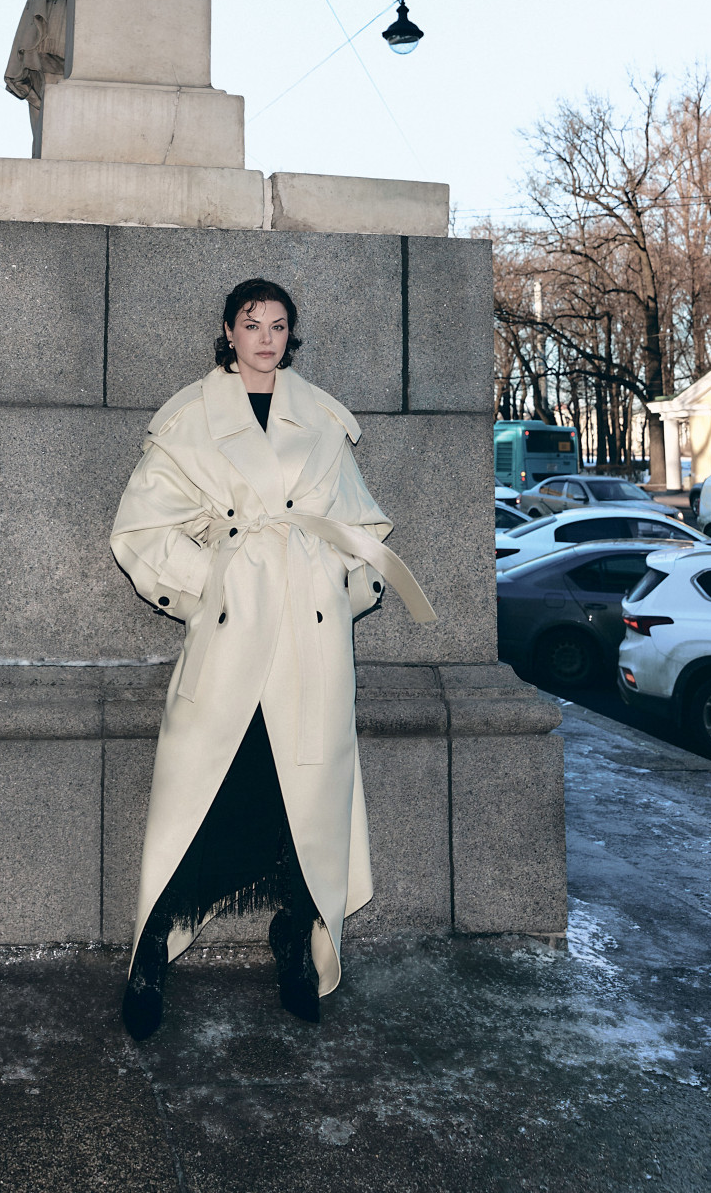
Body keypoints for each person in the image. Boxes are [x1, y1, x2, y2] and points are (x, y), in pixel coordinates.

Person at [110, 277, 434, 1039]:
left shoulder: (319, 417)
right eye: (251, 323)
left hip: (308, 637)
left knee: (306, 798)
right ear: (228, 330)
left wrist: (340, 588)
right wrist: (213, 582)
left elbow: (360, 524)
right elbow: (139, 529)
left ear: (291, 335)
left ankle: (295, 939)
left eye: (278, 324)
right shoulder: (190, 417)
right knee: (200, 795)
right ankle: (150, 952)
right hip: (235, 632)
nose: (264, 337)